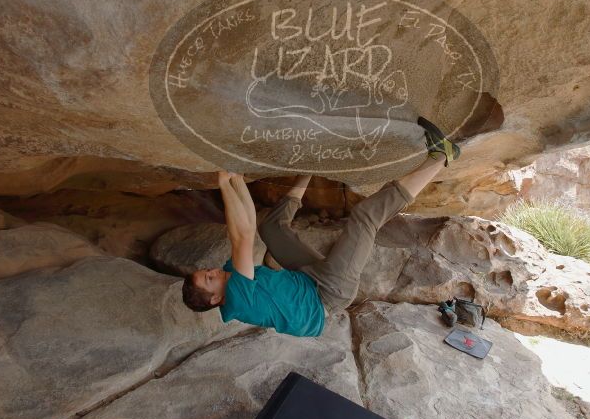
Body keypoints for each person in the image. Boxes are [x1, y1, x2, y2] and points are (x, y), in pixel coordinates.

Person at [181, 117, 459, 337]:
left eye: (205, 271)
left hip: (304, 279)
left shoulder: (229, 277)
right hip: (328, 293)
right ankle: (441, 154)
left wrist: (236, 177)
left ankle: (309, 170)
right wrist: (225, 182)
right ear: (215, 298)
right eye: (209, 279)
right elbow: (240, 234)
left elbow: (248, 229)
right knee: (364, 218)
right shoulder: (237, 298)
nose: (213, 271)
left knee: (272, 229)